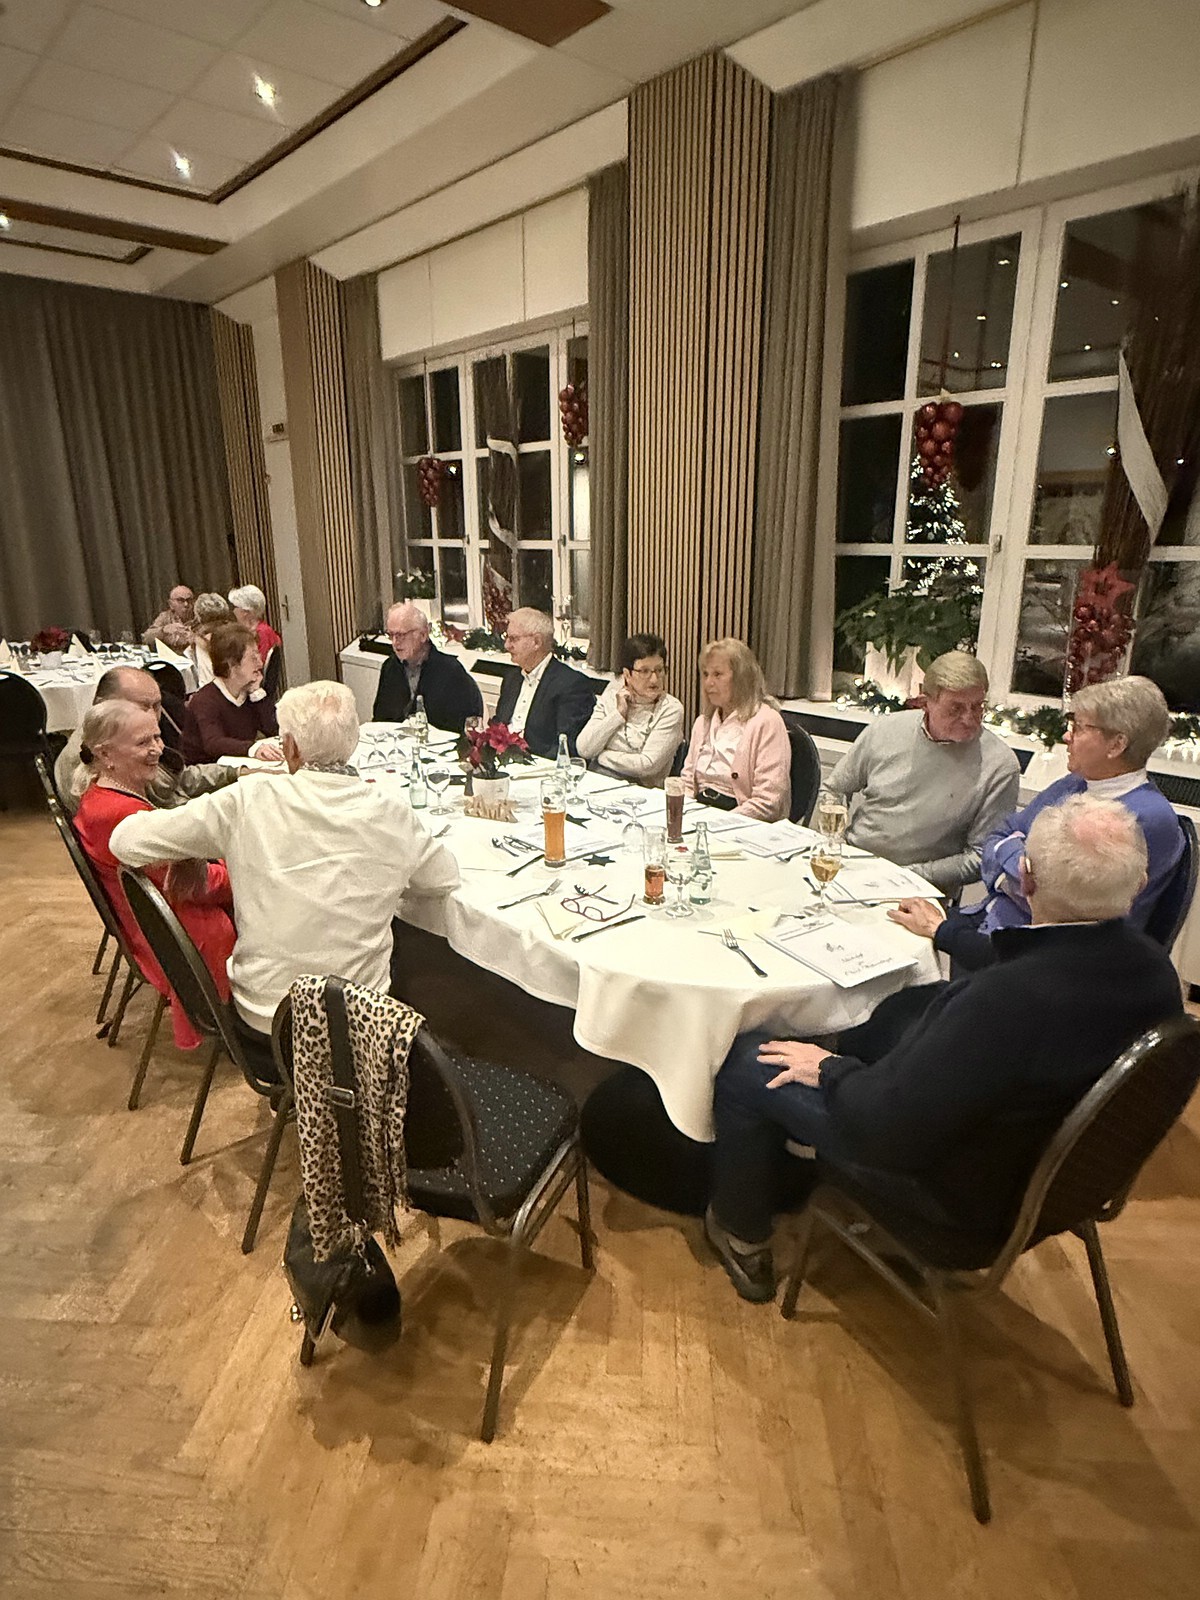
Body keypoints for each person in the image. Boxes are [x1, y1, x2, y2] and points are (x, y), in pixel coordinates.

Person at [704, 796, 1183, 1302]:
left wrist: (829, 1067)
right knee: (898, 1010)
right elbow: (1030, 958)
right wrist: (944, 931)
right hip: (1055, 1180)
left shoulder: (1002, 1002)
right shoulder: (1154, 973)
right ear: (1138, 882)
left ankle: (740, 1230)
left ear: (1026, 879)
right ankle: (790, 1148)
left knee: (746, 1061)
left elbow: (882, 1124)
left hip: (952, 1204)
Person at [110, 681, 460, 1036]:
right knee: (413, 958)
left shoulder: (248, 799)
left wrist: (189, 849)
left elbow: (125, 841)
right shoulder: (391, 812)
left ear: (289, 747)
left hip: (267, 1015)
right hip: (359, 1024)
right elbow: (443, 879)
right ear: (354, 743)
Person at [891, 675, 1184, 971]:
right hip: (991, 926)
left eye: (1079, 727)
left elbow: (1072, 916)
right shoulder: (1073, 784)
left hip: (1038, 962)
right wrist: (1021, 875)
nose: (1067, 736)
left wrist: (1017, 871)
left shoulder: (1147, 818)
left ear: (1117, 744)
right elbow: (999, 836)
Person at [72, 700, 236, 1052]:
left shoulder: (105, 795)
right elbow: (196, 886)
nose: (158, 749)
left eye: (157, 738)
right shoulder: (118, 815)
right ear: (105, 754)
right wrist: (244, 869)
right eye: (143, 742)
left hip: (162, 920)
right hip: (179, 937)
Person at [825, 652, 1020, 896]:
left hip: (919, 890)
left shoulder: (999, 765)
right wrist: (835, 843)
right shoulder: (887, 730)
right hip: (853, 865)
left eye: (978, 706)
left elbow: (982, 856)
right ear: (925, 702)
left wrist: (908, 875)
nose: (969, 719)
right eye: (956, 708)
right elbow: (833, 790)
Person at [55, 667, 236, 816]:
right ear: (103, 705)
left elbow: (178, 779)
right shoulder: (98, 759)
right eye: (141, 707)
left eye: (157, 706)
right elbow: (159, 819)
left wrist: (234, 772)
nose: (152, 716)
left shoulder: (125, 737)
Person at [680, 637, 790, 821]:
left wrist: (718, 822)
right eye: (705, 674)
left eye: (717, 675)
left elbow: (768, 802)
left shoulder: (767, 722)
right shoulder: (702, 723)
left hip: (740, 817)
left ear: (741, 678)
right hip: (699, 812)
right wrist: (683, 813)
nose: (708, 683)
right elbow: (687, 781)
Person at [576, 632, 685, 787]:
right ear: (627, 674)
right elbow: (584, 749)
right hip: (597, 782)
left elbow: (647, 765)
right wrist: (618, 715)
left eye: (659, 670)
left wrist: (602, 756)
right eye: (645, 671)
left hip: (641, 791)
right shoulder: (611, 698)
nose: (654, 679)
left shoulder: (671, 709)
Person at [493, 607, 596, 758]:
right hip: (503, 759)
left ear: (536, 642)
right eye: (506, 638)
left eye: (513, 639)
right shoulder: (512, 678)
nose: (507, 646)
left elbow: (566, 745)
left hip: (539, 764)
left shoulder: (571, 684)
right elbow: (499, 725)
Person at [372, 600, 482, 733]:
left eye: (401, 635)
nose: (395, 642)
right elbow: (380, 720)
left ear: (423, 635)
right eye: (391, 635)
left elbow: (465, 728)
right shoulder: (390, 667)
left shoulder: (450, 671)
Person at [182, 623, 282, 765]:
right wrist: (252, 748)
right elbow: (213, 743)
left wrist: (257, 694)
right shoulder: (205, 701)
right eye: (253, 658)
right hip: (208, 771)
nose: (260, 663)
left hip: (239, 766)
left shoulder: (248, 693)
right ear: (231, 664)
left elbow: (275, 730)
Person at [228, 584, 283, 664]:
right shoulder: (250, 631)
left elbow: (259, 664)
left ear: (245, 611)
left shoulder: (262, 633)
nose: (233, 611)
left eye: (234, 607)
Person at [190, 592, 235, 689]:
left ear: (199, 617)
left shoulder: (201, 641)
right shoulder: (238, 635)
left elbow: (207, 679)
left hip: (213, 692)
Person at [142, 585, 195, 651]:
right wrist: (163, 630)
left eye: (189, 600)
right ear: (171, 604)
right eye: (180, 600)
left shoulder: (199, 617)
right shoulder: (165, 617)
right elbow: (146, 638)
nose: (186, 604)